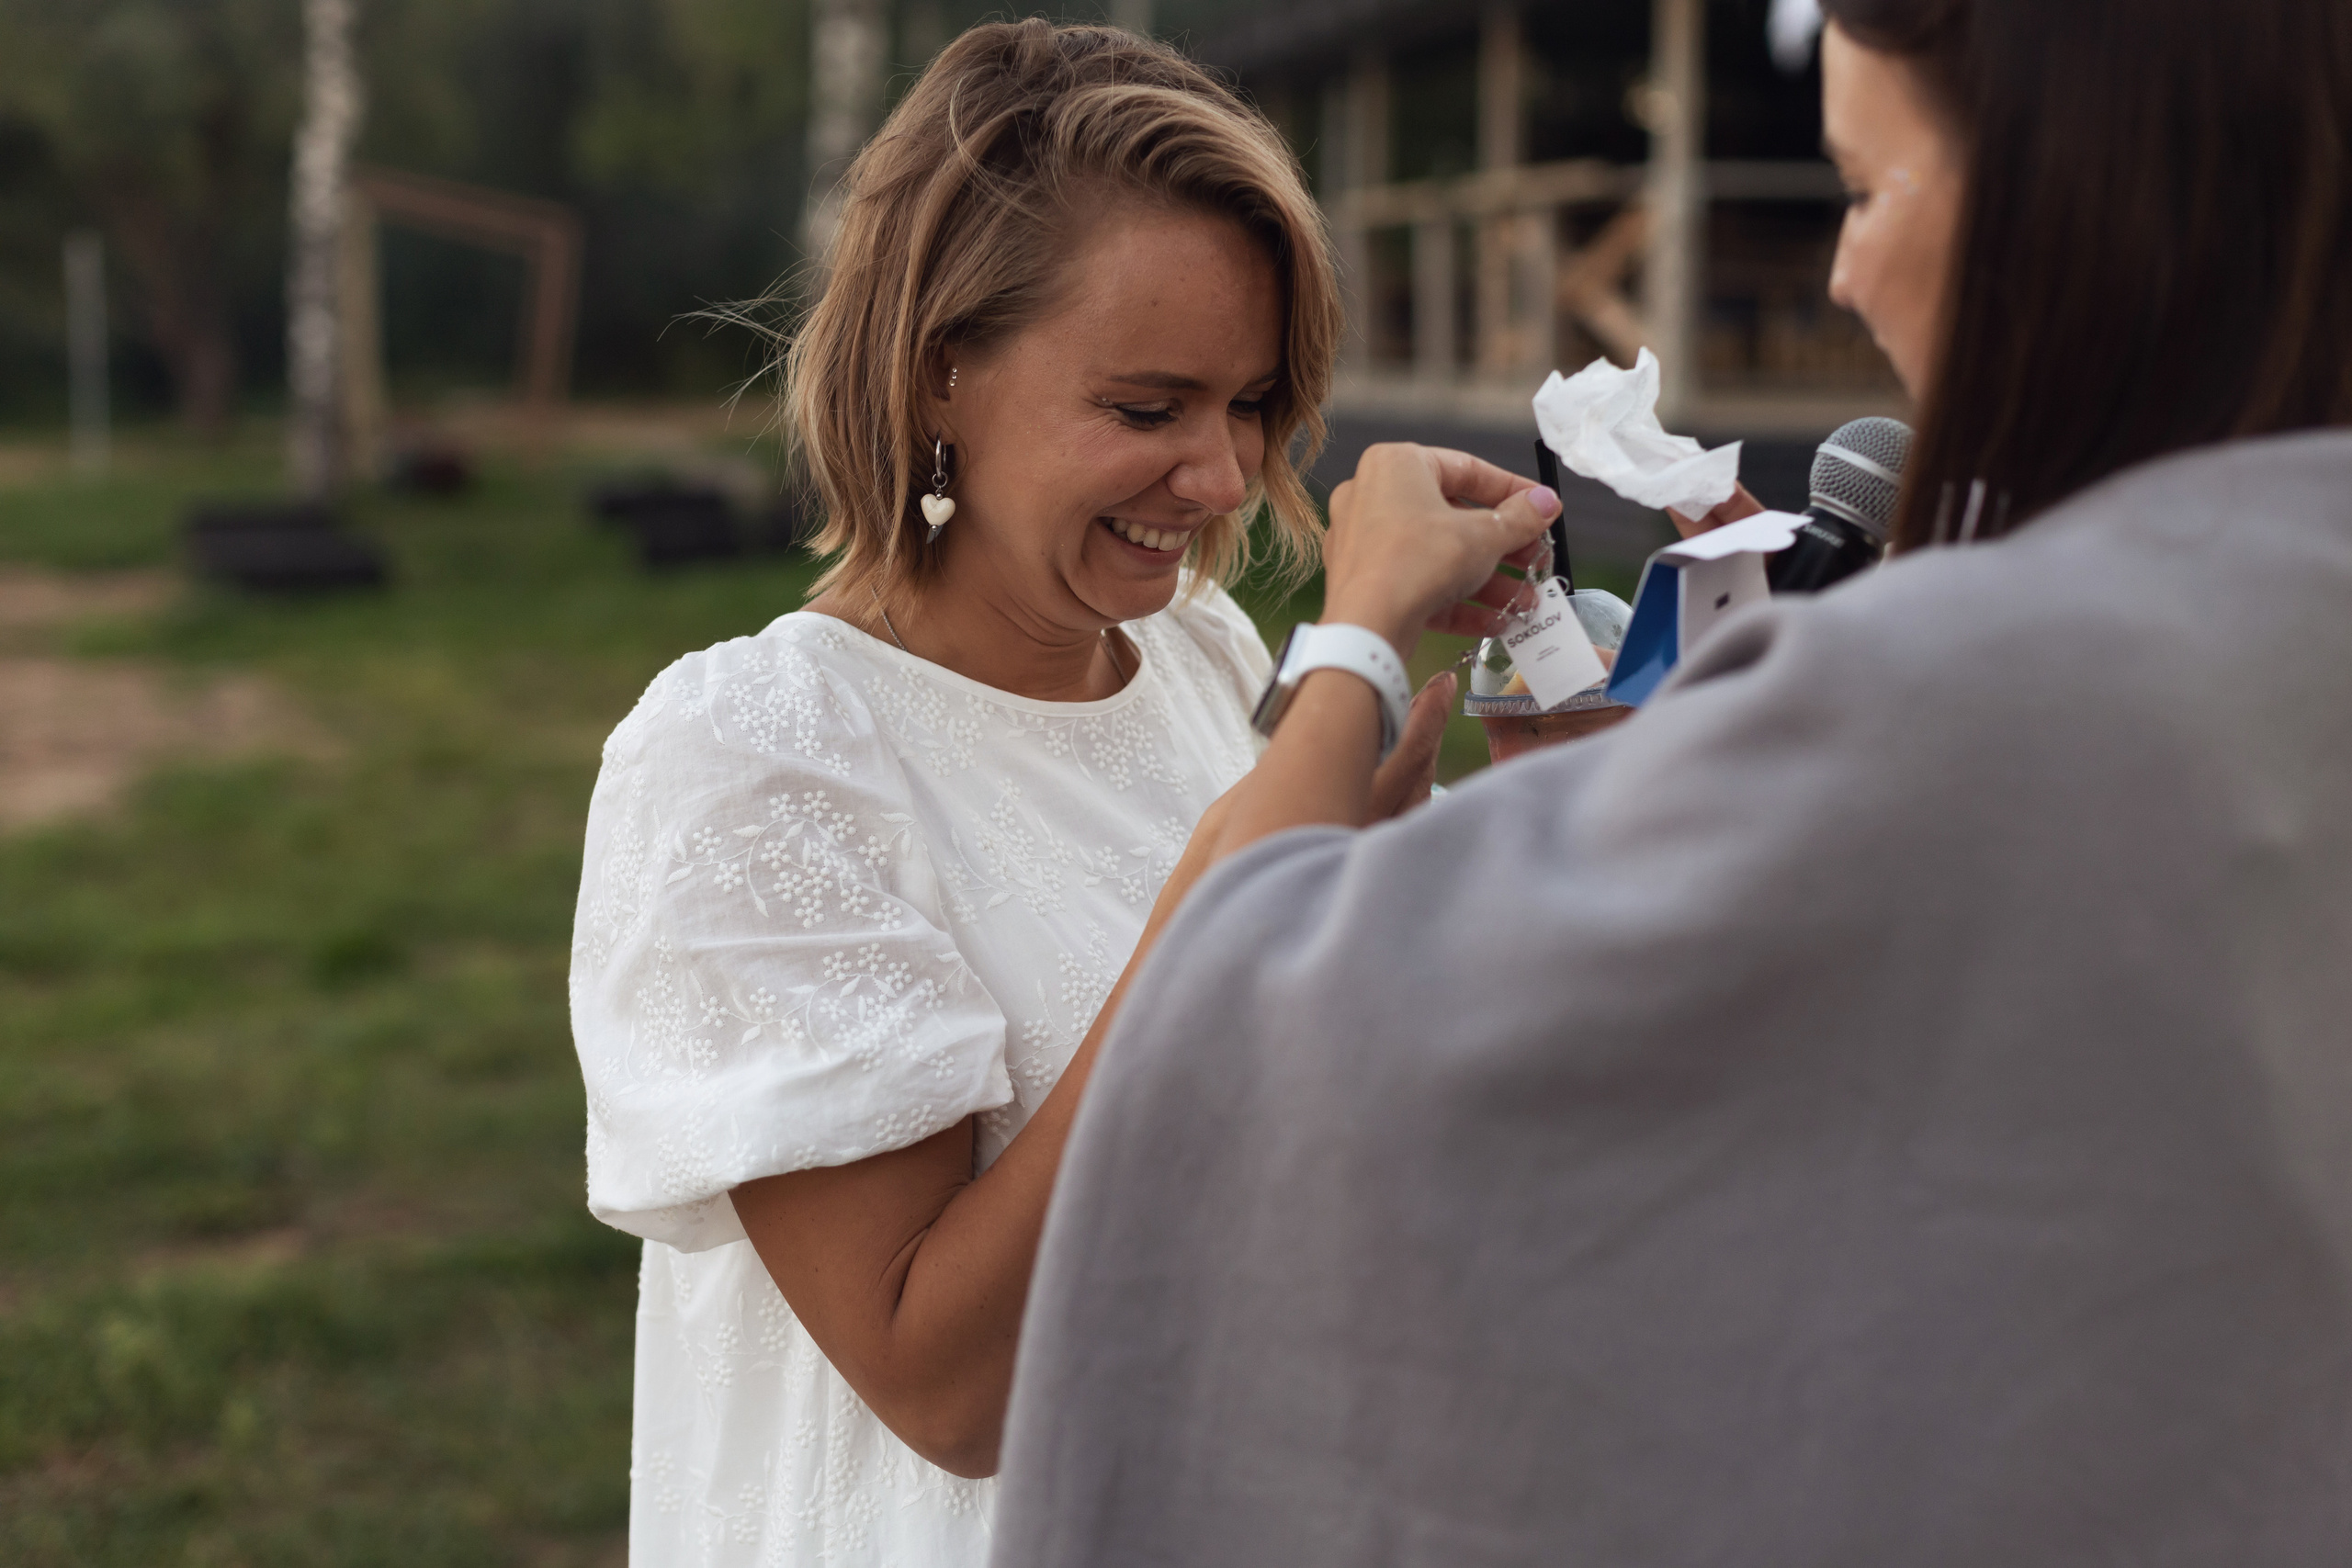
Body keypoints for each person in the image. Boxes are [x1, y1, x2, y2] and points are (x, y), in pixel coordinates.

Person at [991, 1, 2352, 1563]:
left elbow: (1262, 1029)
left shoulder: (1990, 684)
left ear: (2069, 201)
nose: (1841, 274)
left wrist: (1357, 634)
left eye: (1864, 190)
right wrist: (1609, 817)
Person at [565, 20, 1560, 1564]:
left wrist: (1540, 730)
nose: (1223, 478)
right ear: (941, 369)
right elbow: (945, 1388)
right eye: (1149, 409)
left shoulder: (1201, 656)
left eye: (1251, 404)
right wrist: (1310, 746)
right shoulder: (758, 755)